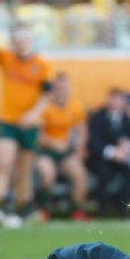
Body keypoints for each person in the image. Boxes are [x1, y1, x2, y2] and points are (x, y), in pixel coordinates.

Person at [0, 13, 54, 228]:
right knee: (3, 163)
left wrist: (33, 114)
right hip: (8, 120)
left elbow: (47, 95)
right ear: (13, 42)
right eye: (18, 39)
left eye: (25, 39)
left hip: (29, 123)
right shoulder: (7, 59)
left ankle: (21, 210)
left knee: (24, 169)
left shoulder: (42, 65)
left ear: (31, 41)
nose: (21, 43)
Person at [35, 72, 91, 221]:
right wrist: (53, 143)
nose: (61, 90)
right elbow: (37, 135)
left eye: (64, 87)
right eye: (58, 87)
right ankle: (42, 209)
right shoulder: (44, 107)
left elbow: (82, 130)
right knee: (47, 175)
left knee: (80, 174)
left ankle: (77, 210)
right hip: (46, 151)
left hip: (66, 151)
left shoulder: (75, 107)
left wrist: (79, 148)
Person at [86, 87, 130, 217]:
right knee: (104, 174)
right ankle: (102, 209)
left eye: (119, 100)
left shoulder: (127, 119)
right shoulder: (98, 117)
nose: (116, 103)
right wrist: (112, 152)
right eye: (113, 99)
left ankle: (123, 207)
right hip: (99, 159)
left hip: (119, 159)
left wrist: (127, 147)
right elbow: (93, 142)